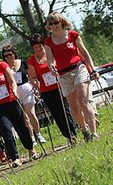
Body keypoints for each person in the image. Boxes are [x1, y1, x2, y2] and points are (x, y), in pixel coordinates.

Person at [0, 47, 38, 167]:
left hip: (11, 101)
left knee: (21, 127)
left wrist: (15, 91)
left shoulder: (2, 66)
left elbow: (12, 81)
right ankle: (15, 157)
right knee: (6, 131)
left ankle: (31, 149)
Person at [44, 12, 99, 141]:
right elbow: (50, 59)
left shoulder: (73, 35)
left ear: (62, 22)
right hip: (63, 74)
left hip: (78, 68)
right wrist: (52, 67)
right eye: (51, 24)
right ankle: (84, 130)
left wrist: (93, 69)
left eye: (56, 22)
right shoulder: (48, 42)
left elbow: (85, 53)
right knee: (74, 107)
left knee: (83, 100)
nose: (54, 25)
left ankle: (94, 133)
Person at [27, 33, 77, 142]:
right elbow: (32, 77)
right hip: (46, 91)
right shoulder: (31, 60)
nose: (38, 49)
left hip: (60, 86)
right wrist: (35, 82)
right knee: (56, 114)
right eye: (35, 47)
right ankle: (68, 135)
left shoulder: (50, 54)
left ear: (43, 45)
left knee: (65, 110)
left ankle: (73, 132)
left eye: (39, 45)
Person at [2, 45, 46, 145]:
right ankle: (32, 138)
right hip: (15, 93)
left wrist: (36, 85)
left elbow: (30, 76)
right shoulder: (4, 68)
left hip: (26, 90)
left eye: (10, 54)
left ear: (14, 54)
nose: (8, 57)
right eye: (6, 56)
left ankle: (38, 134)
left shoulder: (22, 62)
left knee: (31, 113)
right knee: (24, 117)